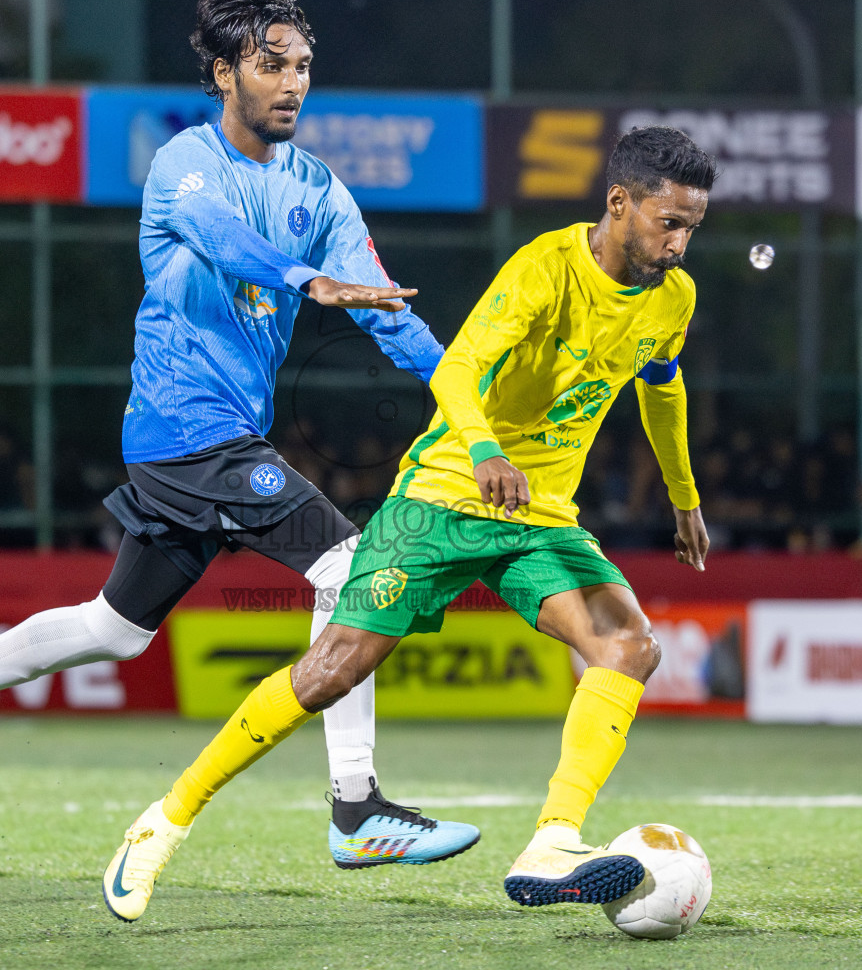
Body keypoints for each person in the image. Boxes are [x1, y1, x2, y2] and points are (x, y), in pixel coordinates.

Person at [0, 0, 478, 873]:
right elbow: (225, 238)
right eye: (272, 65)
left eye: (304, 65)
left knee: (116, 627)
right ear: (226, 72)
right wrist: (309, 282)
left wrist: (469, 397)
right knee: (350, 567)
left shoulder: (320, 190)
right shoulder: (182, 165)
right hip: (188, 430)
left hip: (212, 442)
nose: (293, 82)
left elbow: (386, 313)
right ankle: (356, 808)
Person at [103, 126, 715, 923]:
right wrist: (487, 449)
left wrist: (685, 496)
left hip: (539, 517)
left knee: (628, 645)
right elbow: (459, 366)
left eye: (692, 228)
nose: (678, 243)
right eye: (668, 223)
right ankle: (163, 823)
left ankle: (553, 842)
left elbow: (661, 389)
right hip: (442, 496)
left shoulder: (675, 297)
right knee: (331, 671)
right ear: (618, 202)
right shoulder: (544, 268)